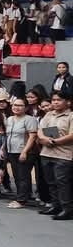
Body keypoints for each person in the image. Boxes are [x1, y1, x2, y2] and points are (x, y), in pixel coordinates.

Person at [36, 90, 72, 220]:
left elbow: (72, 135)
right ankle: (55, 206)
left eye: (59, 100)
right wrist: (43, 139)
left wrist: (55, 141)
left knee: (62, 182)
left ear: (68, 102)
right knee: (51, 182)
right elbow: (40, 130)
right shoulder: (49, 114)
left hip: (64, 154)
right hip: (47, 152)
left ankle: (67, 209)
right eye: (53, 100)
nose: (55, 102)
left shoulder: (71, 116)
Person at [3, 97, 39, 209]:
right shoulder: (9, 119)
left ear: (26, 108)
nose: (16, 107)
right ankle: (22, 196)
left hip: (24, 151)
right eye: (14, 105)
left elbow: (32, 136)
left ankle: (21, 200)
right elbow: (7, 136)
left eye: (20, 105)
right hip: (11, 150)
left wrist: (24, 151)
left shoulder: (30, 119)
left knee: (23, 176)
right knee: (16, 175)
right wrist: (2, 148)